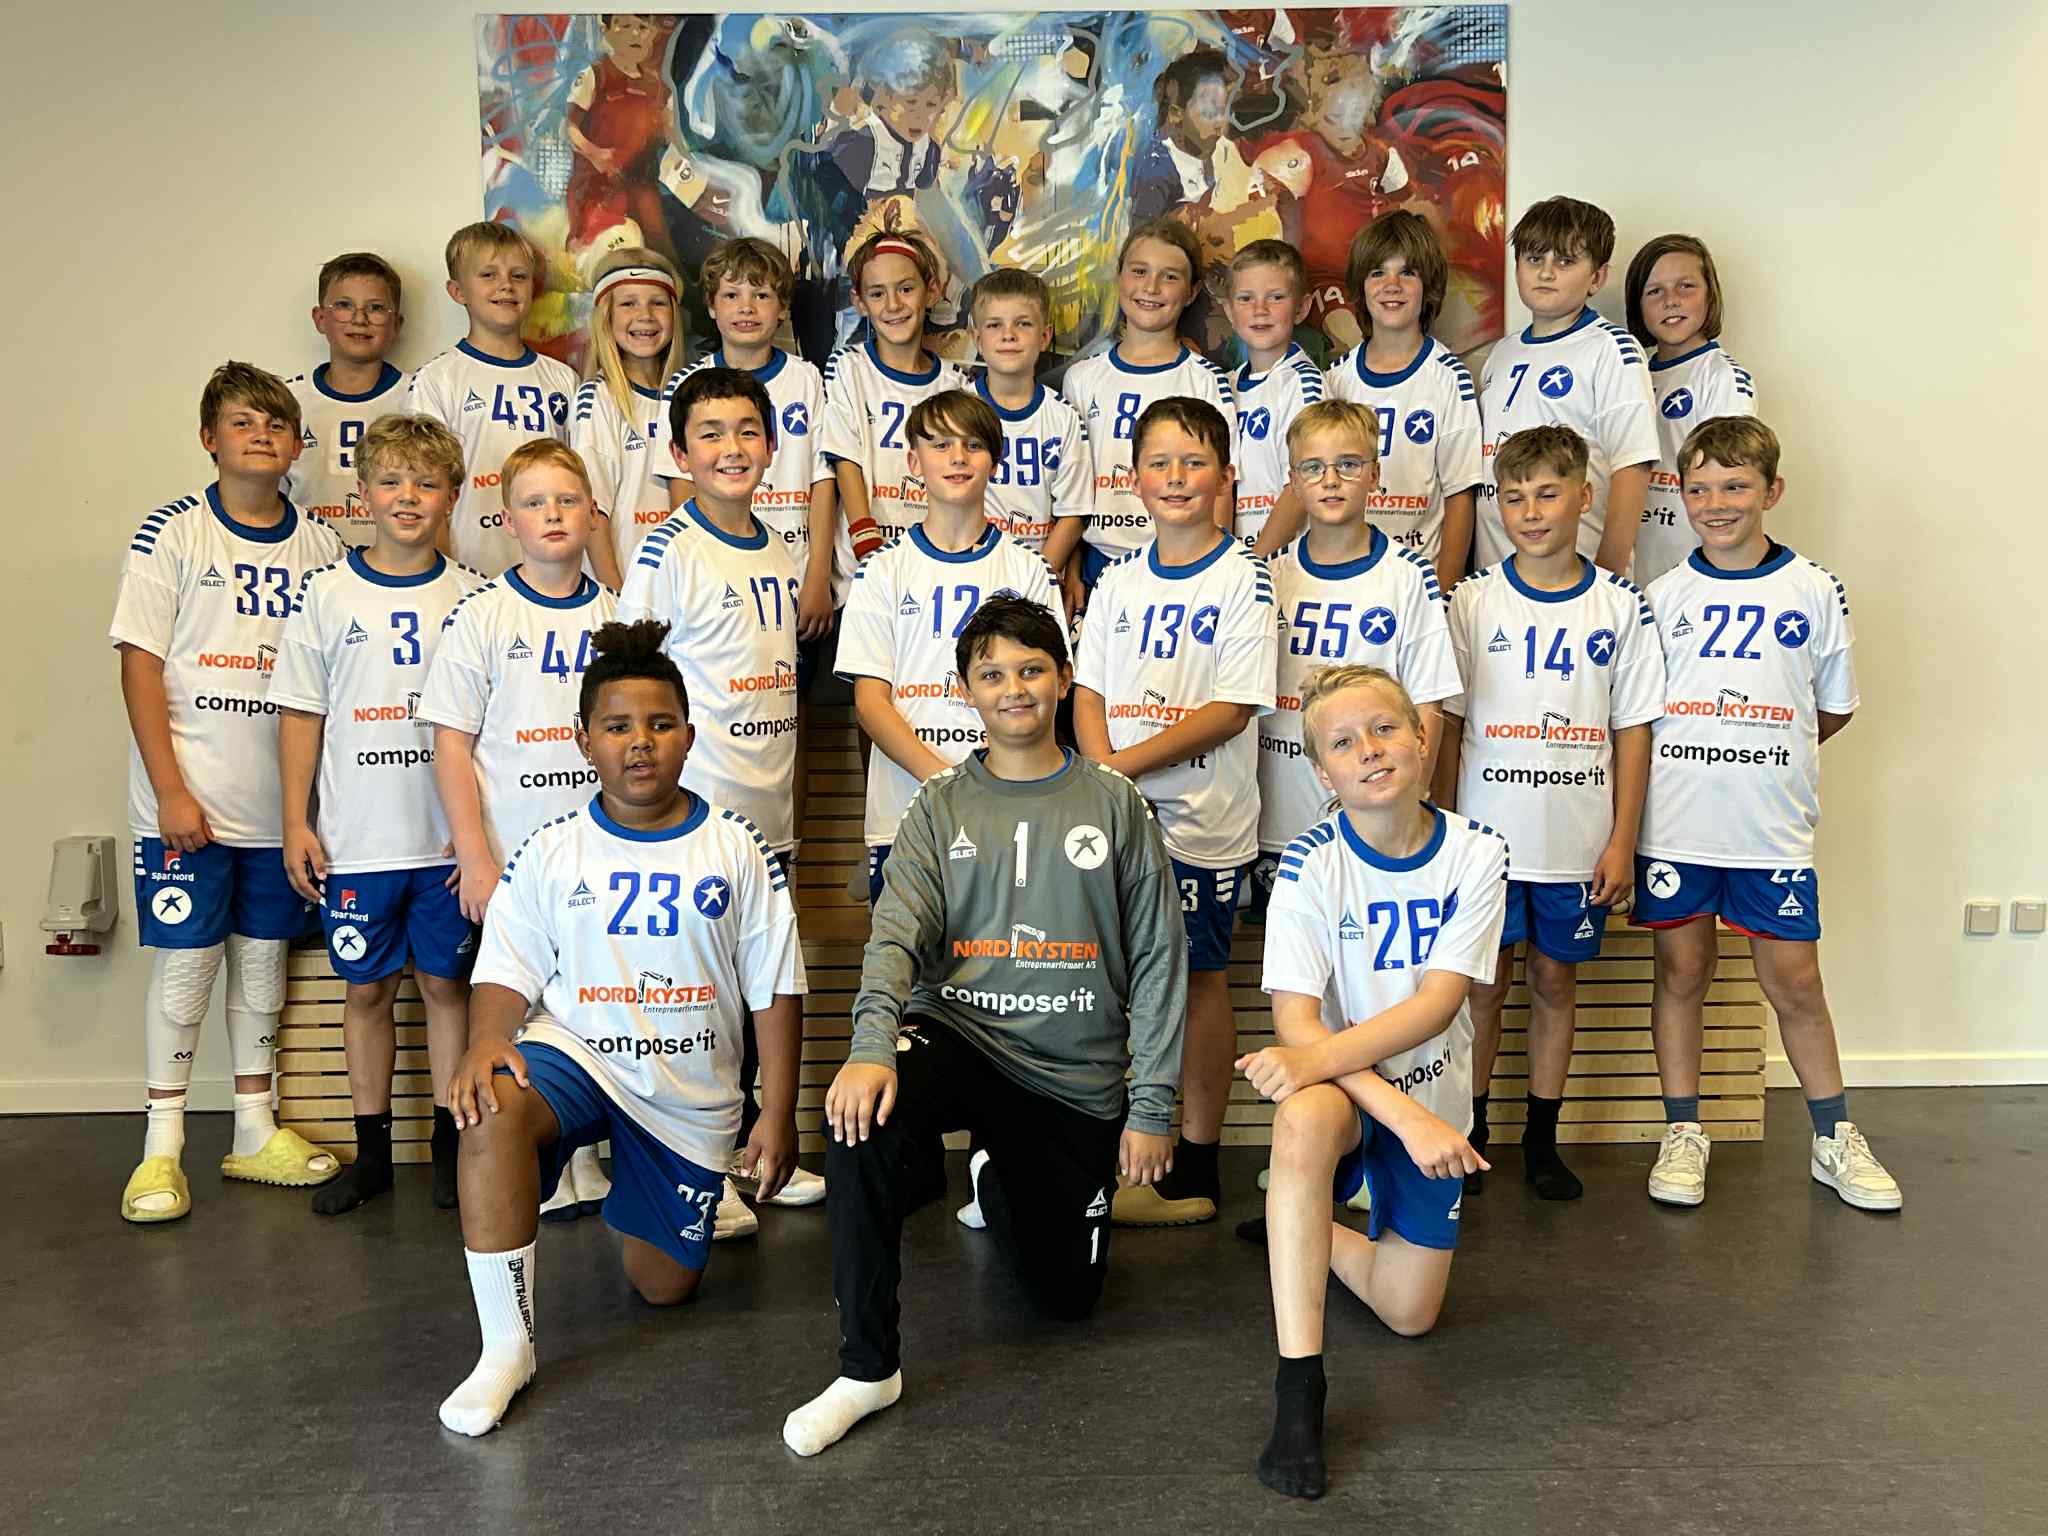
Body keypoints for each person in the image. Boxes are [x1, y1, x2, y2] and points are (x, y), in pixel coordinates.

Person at [781, 595, 1187, 1457]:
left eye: (1032, 669)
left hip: (1070, 1076)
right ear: (966, 689)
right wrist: (867, 1048)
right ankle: (867, 1367)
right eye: (993, 674)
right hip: (961, 1034)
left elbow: (1159, 959)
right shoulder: (939, 805)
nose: (1014, 689)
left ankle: (994, 1174)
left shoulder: (1117, 803)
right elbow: (895, 934)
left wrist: (1152, 1106)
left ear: (1064, 678)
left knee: (1067, 1301)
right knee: (858, 1120)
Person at [437, 619, 806, 1436]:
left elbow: (776, 988)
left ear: (689, 737)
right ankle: (506, 1350)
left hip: (685, 1093)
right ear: (583, 740)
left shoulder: (737, 847)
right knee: (491, 1104)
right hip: (578, 1055)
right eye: (617, 726)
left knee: (664, 1288)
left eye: (660, 724)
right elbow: (504, 971)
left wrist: (778, 1112)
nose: (640, 742)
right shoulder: (551, 849)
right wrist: (488, 1038)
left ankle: (635, 1186)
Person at [1238, 665, 1507, 1500]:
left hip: (1432, 1092)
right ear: (1323, 773)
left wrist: (1418, 1114)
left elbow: (1436, 1005)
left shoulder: (1477, 851)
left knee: (1409, 1314)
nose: (1370, 750)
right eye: (1343, 742)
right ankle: (1298, 1389)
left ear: (1423, 739)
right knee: (1302, 1120)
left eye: (1385, 729)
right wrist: (1397, 1114)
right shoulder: (1308, 865)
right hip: (1353, 1100)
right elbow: (1296, 1021)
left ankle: (1300, 1227)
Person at [1634, 416, 1901, 1211]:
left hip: (1769, 828)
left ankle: (1833, 1137)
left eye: (1736, 486)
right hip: (1678, 826)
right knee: (1682, 973)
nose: (1717, 503)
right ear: (1683, 495)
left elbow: (1830, 710)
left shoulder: (1813, 589)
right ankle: (1684, 1132)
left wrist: (1761, 750)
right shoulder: (1663, 598)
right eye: (1701, 488)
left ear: (1771, 491)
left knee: (1797, 983)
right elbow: (1638, 716)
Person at [113, 361, 346, 1223]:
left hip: (278, 812)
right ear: (209, 438)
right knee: (187, 968)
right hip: (189, 806)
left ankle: (254, 1128)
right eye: (242, 422)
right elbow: (140, 666)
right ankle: (161, 1147)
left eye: (276, 424)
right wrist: (170, 792)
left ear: (295, 444)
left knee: (262, 966)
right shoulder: (172, 534)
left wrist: (310, 811)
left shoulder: (321, 545)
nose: (261, 436)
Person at [1435, 425, 1665, 1199]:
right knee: (1481, 988)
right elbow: (1450, 726)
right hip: (1486, 844)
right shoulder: (1472, 601)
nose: (1530, 513)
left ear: (1584, 497)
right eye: (1514, 497)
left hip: (1574, 843)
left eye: (1547, 494)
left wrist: (1622, 839)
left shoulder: (1619, 605)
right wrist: (1443, 833)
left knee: (1555, 983)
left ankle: (1542, 1137)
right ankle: (1471, 1129)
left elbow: (1633, 730)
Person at [620, 365, 826, 1227]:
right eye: (710, 434)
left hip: (766, 816)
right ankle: (696, 1173)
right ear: (680, 454)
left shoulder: (778, 545)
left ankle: (746, 1155)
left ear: (772, 447)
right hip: (696, 819)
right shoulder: (667, 550)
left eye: (747, 431)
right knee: (695, 997)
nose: (731, 448)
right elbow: (627, 679)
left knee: (748, 991)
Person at [272, 414, 486, 1214]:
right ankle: (373, 1157)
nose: (408, 497)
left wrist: (478, 842)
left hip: (443, 846)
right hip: (358, 843)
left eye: (426, 483)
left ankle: (450, 1149)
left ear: (452, 497)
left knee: (445, 988)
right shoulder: (326, 593)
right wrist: (296, 821)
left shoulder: (475, 597)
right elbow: (302, 715)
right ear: (362, 493)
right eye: (391, 481)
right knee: (366, 994)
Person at [1074, 397, 1276, 1225]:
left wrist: (1115, 772)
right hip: (1118, 818)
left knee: (1197, 980)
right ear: (1134, 479)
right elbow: (1088, 690)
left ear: (1226, 476)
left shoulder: (1245, 577)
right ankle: (1108, 1151)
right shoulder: (1117, 580)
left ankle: (1196, 1160)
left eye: (1194, 462)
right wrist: (1103, 780)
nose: (1176, 477)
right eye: (1158, 463)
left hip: (1203, 823)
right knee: (1102, 982)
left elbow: (1231, 708)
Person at [415, 439, 620, 1218]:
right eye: (534, 503)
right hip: (511, 862)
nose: (553, 515)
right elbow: (451, 742)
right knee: (524, 1009)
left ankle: (593, 1153)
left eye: (567, 500)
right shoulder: (484, 615)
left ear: (593, 512)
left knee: (597, 998)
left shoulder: (617, 615)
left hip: (601, 858)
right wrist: (475, 856)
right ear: (508, 520)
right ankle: (548, 1161)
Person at [837, 389, 1062, 905]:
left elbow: (1045, 694)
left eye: (973, 445)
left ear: (994, 463)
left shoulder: (1029, 570)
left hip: (1008, 813)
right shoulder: (881, 571)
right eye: (940, 445)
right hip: (904, 816)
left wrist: (990, 789)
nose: (958, 457)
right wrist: (945, 783)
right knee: (904, 956)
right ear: (914, 462)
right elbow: (870, 703)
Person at [656, 238, 838, 847]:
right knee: (708, 712)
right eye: (731, 294)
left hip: (791, 581)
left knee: (789, 721)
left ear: (782, 307)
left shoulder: (806, 379)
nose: (746, 307)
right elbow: (681, 487)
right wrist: (705, 563)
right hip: (718, 584)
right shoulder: (687, 383)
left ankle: (791, 849)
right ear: (710, 306)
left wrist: (817, 577)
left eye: (761, 295)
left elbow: (822, 480)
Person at [1257, 401, 1460, 910]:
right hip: (1278, 817)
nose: (1331, 481)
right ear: (1293, 481)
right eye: (1313, 468)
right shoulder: (1269, 577)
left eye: (1348, 464)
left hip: (1375, 821)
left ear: (1374, 474)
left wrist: (1408, 808)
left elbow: (1429, 703)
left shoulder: (1408, 576)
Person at [1052, 219, 1237, 609]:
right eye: (1139, 271)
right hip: (1097, 565)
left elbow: (1221, 489)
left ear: (1192, 292)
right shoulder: (1082, 379)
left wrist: (1212, 575)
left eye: (1169, 276)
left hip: (1178, 564)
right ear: (1119, 276)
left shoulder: (1205, 381)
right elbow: (1070, 486)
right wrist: (1072, 566)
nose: (1151, 288)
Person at [1475, 196, 1657, 575]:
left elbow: (1633, 468)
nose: (1546, 273)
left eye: (1565, 261)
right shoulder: (1501, 353)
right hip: (1498, 580)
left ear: (1597, 278)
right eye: (1534, 259)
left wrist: (1607, 580)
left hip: (1578, 578)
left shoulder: (1611, 349)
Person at [1323, 210, 1484, 590]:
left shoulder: (1449, 378)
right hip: (1347, 580)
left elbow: (1461, 497)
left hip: (1418, 586)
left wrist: (1444, 593)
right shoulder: (1335, 379)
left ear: (1429, 287)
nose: (1391, 285)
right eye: (1378, 272)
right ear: (1360, 287)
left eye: (1407, 273)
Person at [405, 222, 578, 573]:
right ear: (458, 291)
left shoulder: (563, 379)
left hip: (554, 574)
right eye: (488, 275)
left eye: (519, 276)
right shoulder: (437, 381)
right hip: (472, 570)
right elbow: (424, 492)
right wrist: (446, 577)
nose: (506, 285)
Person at [819, 230, 970, 566]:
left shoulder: (956, 384)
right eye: (877, 293)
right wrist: (864, 537)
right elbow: (845, 458)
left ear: (932, 291)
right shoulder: (848, 367)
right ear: (859, 302)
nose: (893, 305)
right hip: (864, 562)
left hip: (933, 561)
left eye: (906, 289)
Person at [1623, 234, 1758, 586]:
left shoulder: (1722, 379)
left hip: (1692, 578)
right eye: (1655, 291)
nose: (1671, 300)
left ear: (1710, 295)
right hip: (1632, 573)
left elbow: (1732, 486)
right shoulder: (1629, 374)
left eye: (1686, 286)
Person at [569, 247, 687, 584]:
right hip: (627, 587)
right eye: (628, 303)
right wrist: (615, 593)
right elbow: (593, 511)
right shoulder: (599, 399)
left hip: (684, 584)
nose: (645, 315)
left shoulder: (691, 395)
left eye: (658, 303)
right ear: (605, 317)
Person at [966, 267, 1093, 556]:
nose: (1008, 335)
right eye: (994, 325)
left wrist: (1041, 574)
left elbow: (1073, 514)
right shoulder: (956, 412)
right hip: (967, 567)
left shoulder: (1064, 419)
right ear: (977, 339)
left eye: (1023, 324)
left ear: (1045, 336)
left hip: (1037, 570)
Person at [285, 252, 410, 547]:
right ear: (320, 319)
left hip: (396, 565)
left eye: (376, 308)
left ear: (396, 324)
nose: (359, 319)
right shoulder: (288, 401)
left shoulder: (419, 396)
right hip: (308, 563)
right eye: (344, 305)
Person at [1221, 240, 1323, 557]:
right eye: (1246, 298)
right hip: (1232, 561)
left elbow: (1302, 486)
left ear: (1301, 308)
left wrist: (1253, 563)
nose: (1260, 309)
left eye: (1276, 297)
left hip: (1280, 562)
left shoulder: (1303, 384)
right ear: (1229, 311)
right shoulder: (1223, 386)